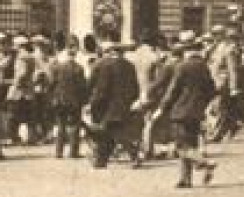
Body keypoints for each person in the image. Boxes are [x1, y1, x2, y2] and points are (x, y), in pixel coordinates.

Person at [153, 41, 219, 188]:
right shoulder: (203, 66)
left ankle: (205, 162)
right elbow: (212, 89)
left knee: (181, 146)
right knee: (190, 143)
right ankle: (185, 179)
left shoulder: (182, 66)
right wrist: (203, 104)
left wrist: (162, 108)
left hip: (181, 110)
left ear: (186, 51)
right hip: (197, 112)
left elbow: (173, 90)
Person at [86, 43, 141, 168]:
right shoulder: (130, 66)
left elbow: (102, 89)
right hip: (125, 104)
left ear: (112, 52)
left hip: (109, 105)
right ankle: (102, 160)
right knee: (111, 132)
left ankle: (131, 156)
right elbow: (135, 88)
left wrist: (94, 103)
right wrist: (130, 100)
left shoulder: (107, 66)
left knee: (111, 132)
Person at [49, 43, 87, 158]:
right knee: (75, 125)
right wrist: (84, 100)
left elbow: (52, 83)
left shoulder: (58, 67)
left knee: (61, 125)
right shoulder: (79, 68)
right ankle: (73, 152)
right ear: (75, 55)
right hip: (74, 101)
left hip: (60, 100)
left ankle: (58, 152)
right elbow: (82, 86)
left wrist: (53, 96)